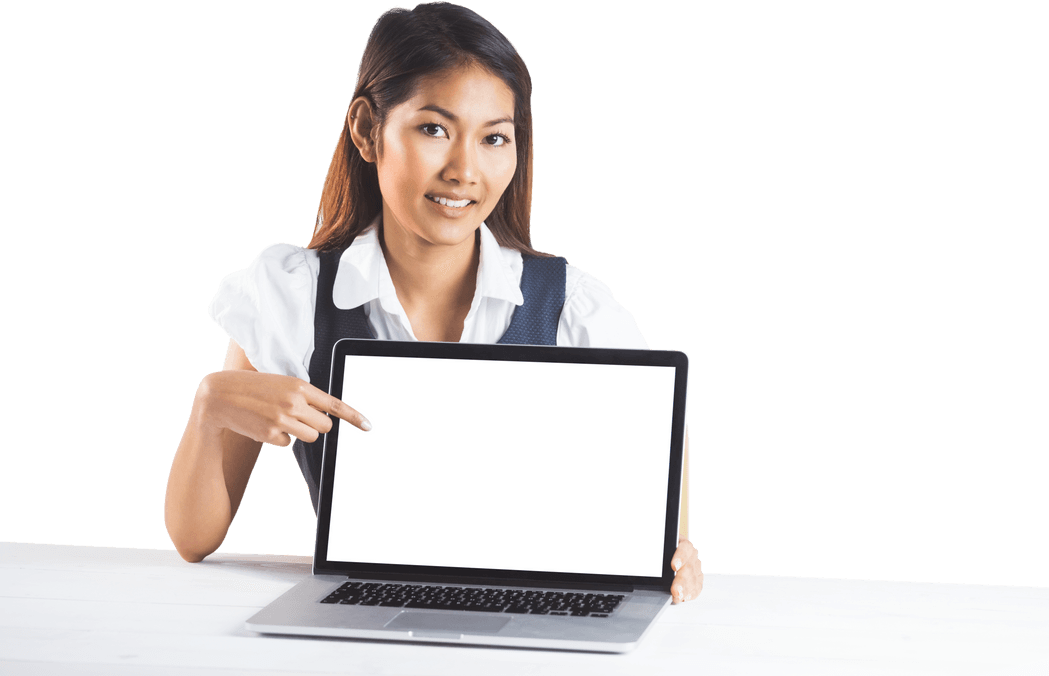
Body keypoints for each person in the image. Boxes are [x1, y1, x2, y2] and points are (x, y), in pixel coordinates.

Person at [164, 1, 702, 605]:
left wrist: (677, 551)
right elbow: (193, 539)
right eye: (433, 129)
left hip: (538, 623)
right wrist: (212, 403)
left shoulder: (572, 306)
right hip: (359, 629)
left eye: (495, 138)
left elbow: (662, 455)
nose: (464, 170)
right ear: (368, 130)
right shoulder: (292, 294)